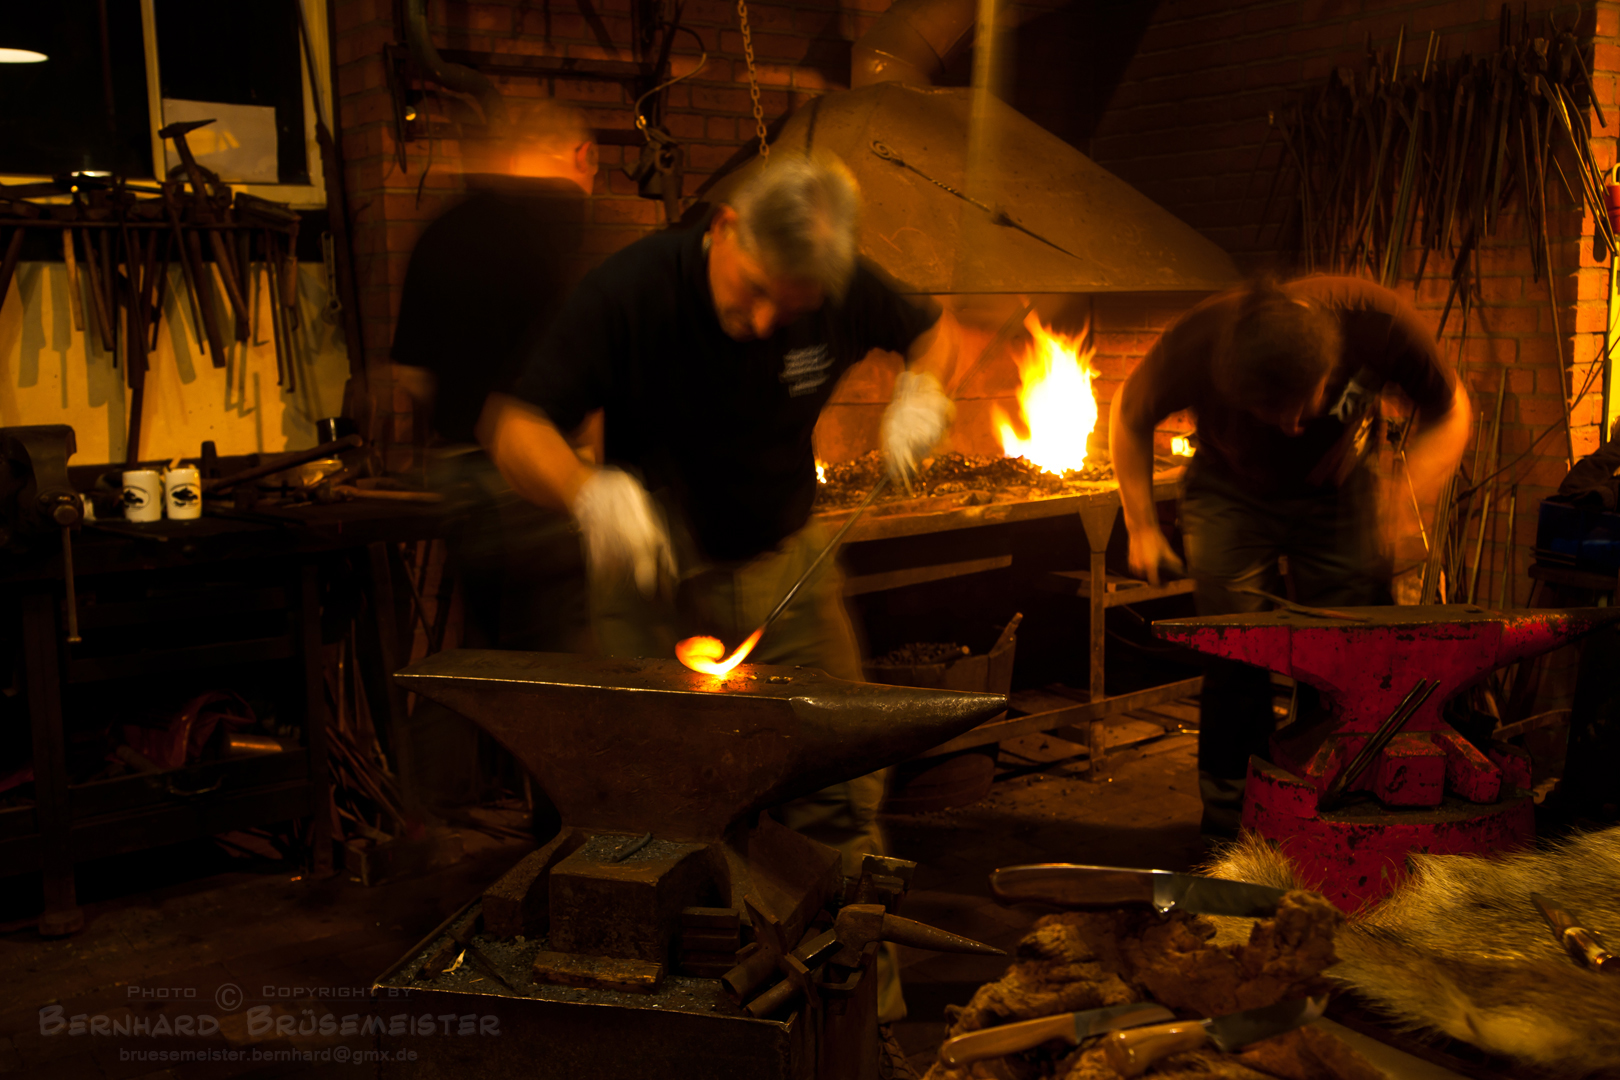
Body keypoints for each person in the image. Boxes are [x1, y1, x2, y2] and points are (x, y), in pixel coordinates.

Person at [482, 153, 960, 1025]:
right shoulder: (633, 291)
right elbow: (514, 427)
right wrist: (590, 497)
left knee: (835, 788)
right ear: (727, 227)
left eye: (796, 306)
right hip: (650, 570)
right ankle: (675, 1024)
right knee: (653, 806)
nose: (769, 320)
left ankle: (855, 1030)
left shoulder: (836, 281)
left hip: (785, 559)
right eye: (756, 293)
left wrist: (922, 389)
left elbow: (933, 329)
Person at [1110, 275, 1470, 837]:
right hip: (1228, 487)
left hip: (1337, 492)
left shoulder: (1377, 327)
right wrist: (1139, 525)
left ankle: (1336, 798)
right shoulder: (1199, 343)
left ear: (1331, 366)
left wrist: (1406, 497)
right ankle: (1233, 817)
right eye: (1267, 412)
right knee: (1236, 645)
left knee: (1349, 648)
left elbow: (1452, 410)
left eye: (1303, 406)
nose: (1291, 426)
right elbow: (1129, 413)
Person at [388, 99, 597, 824]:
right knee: (564, 666)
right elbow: (581, 357)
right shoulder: (560, 222)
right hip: (534, 473)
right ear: (580, 156)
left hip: (460, 474)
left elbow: (410, 377)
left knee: (486, 651)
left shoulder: (441, 230)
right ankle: (565, 827)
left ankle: (431, 808)